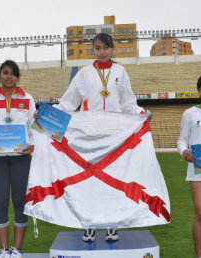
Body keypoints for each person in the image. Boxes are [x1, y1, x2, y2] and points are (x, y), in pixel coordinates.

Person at [53, 33, 148, 242]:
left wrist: (141, 113)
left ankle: (112, 224)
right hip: (89, 134)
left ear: (112, 48)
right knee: (89, 180)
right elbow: (68, 102)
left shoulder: (120, 72)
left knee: (111, 179)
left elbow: (129, 101)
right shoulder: (84, 74)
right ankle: (89, 224)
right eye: (98, 48)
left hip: (114, 135)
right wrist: (49, 114)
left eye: (105, 47)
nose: (102, 51)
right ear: (93, 50)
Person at [0, 60, 36, 258]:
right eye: (5, 72)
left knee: (20, 201)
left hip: (21, 157)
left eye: (13, 73)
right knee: (1, 201)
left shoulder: (27, 99)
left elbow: (33, 127)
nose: (9, 76)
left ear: (18, 77)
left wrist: (32, 144)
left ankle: (17, 249)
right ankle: (4, 249)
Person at [177, 73, 201, 258]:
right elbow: (182, 141)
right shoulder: (190, 113)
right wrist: (184, 152)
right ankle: (199, 256)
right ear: (198, 91)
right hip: (199, 167)